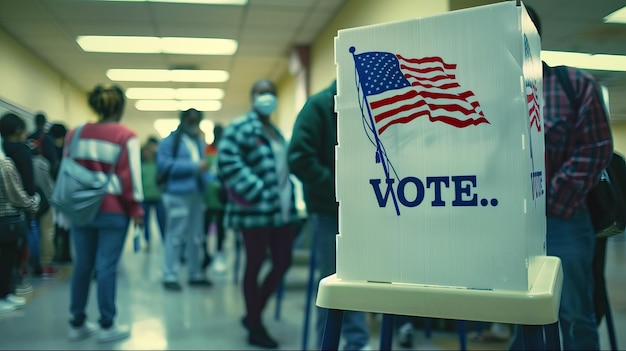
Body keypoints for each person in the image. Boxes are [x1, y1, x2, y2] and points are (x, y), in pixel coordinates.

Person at [508, 6, 614, 351]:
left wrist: (549, 199)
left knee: (573, 314)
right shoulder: (494, 95)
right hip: (511, 224)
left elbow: (595, 148)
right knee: (522, 315)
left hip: (563, 219)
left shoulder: (573, 84)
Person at [287, 80, 371, 351]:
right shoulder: (320, 105)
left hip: (365, 208)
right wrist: (338, 187)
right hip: (329, 210)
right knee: (334, 282)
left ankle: (355, 343)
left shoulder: (365, 98)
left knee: (356, 279)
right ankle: (328, 345)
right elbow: (299, 157)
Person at [218, 79, 300, 349]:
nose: (268, 97)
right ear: (252, 97)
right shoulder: (241, 127)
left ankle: (252, 315)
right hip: (253, 211)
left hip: (280, 210)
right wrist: (259, 191)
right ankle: (255, 325)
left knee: (282, 260)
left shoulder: (275, 131)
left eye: (272, 93)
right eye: (262, 93)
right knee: (254, 263)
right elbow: (227, 163)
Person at [64, 84, 144, 343]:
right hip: (113, 210)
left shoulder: (75, 134)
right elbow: (130, 176)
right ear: (120, 107)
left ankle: (77, 323)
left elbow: (68, 171)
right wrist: (136, 209)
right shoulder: (126, 136)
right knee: (106, 267)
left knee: (83, 265)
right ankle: (107, 325)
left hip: (80, 209)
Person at [157, 108, 212, 291]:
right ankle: (170, 274)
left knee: (196, 236)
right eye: (190, 120)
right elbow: (164, 165)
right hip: (177, 195)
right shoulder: (170, 142)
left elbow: (204, 166)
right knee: (175, 235)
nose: (193, 123)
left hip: (196, 195)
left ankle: (195, 273)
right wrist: (194, 166)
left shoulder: (197, 142)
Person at [0, 134, 41, 314]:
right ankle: (3, 296)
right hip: (6, 220)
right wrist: (35, 202)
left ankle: (5, 295)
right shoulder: (4, 164)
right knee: (6, 261)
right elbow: (16, 195)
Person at [203, 124, 227, 273]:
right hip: (208, 196)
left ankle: (218, 253)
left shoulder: (225, 150)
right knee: (205, 228)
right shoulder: (207, 150)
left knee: (220, 228)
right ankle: (207, 254)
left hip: (221, 197)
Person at [48, 123, 72, 264]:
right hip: (67, 192)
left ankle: (56, 254)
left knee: (56, 225)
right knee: (67, 226)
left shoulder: (48, 150)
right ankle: (66, 254)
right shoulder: (68, 151)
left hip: (53, 192)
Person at [140, 136, 165, 250]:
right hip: (144, 197)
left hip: (158, 197)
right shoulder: (141, 166)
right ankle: (147, 241)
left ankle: (165, 240)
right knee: (145, 221)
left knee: (162, 220)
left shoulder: (158, 165)